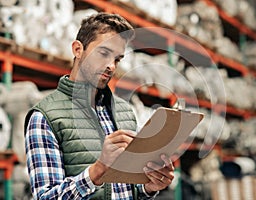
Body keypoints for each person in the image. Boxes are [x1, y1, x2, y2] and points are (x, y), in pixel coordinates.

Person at [24, 12, 174, 199]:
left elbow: (128, 191)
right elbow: (46, 197)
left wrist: (149, 187)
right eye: (103, 53)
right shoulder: (45, 117)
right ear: (78, 49)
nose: (111, 65)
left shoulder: (125, 112)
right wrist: (97, 171)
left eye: (117, 59)